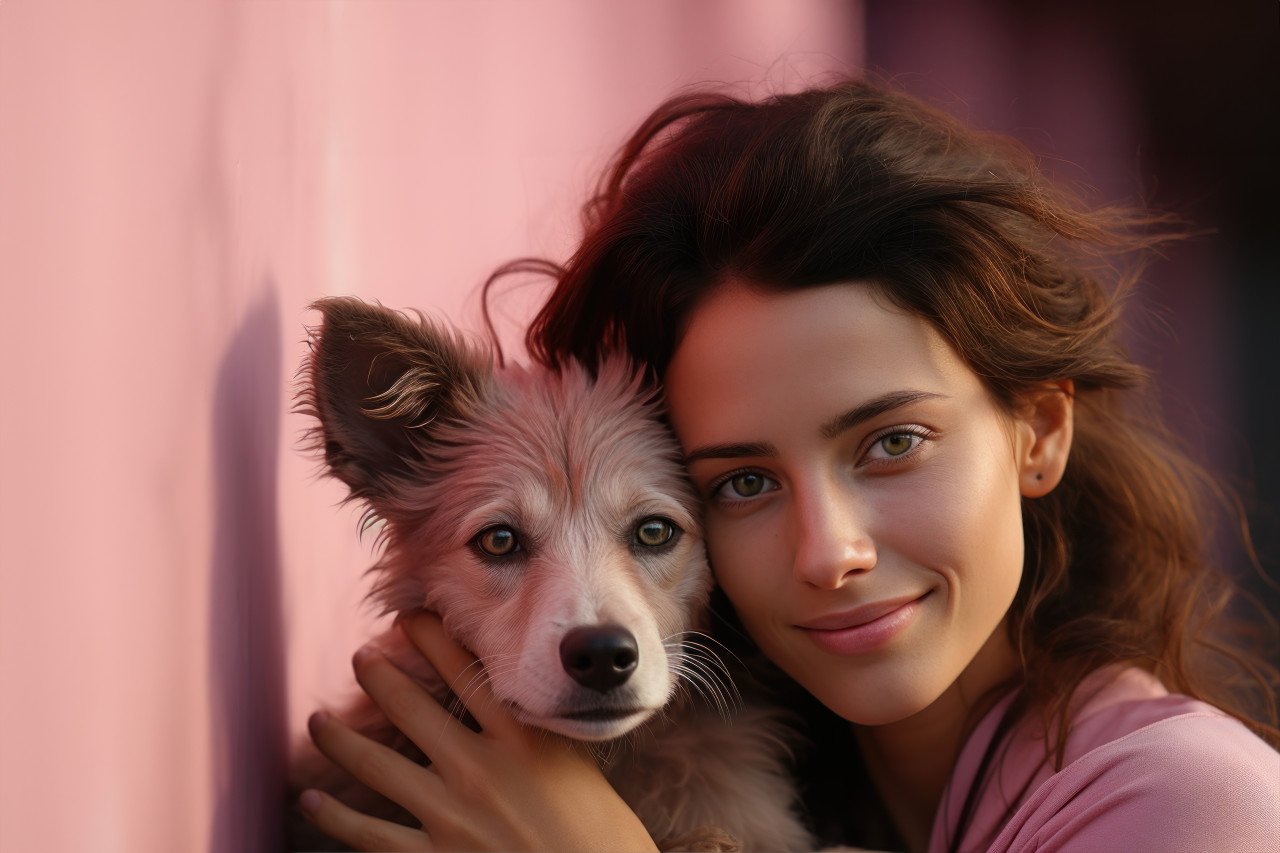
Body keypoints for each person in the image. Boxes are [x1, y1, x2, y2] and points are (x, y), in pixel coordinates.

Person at [300, 79, 1280, 852]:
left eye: (892, 442)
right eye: (743, 481)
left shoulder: (1188, 804)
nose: (827, 552)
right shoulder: (787, 780)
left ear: (1038, 430)